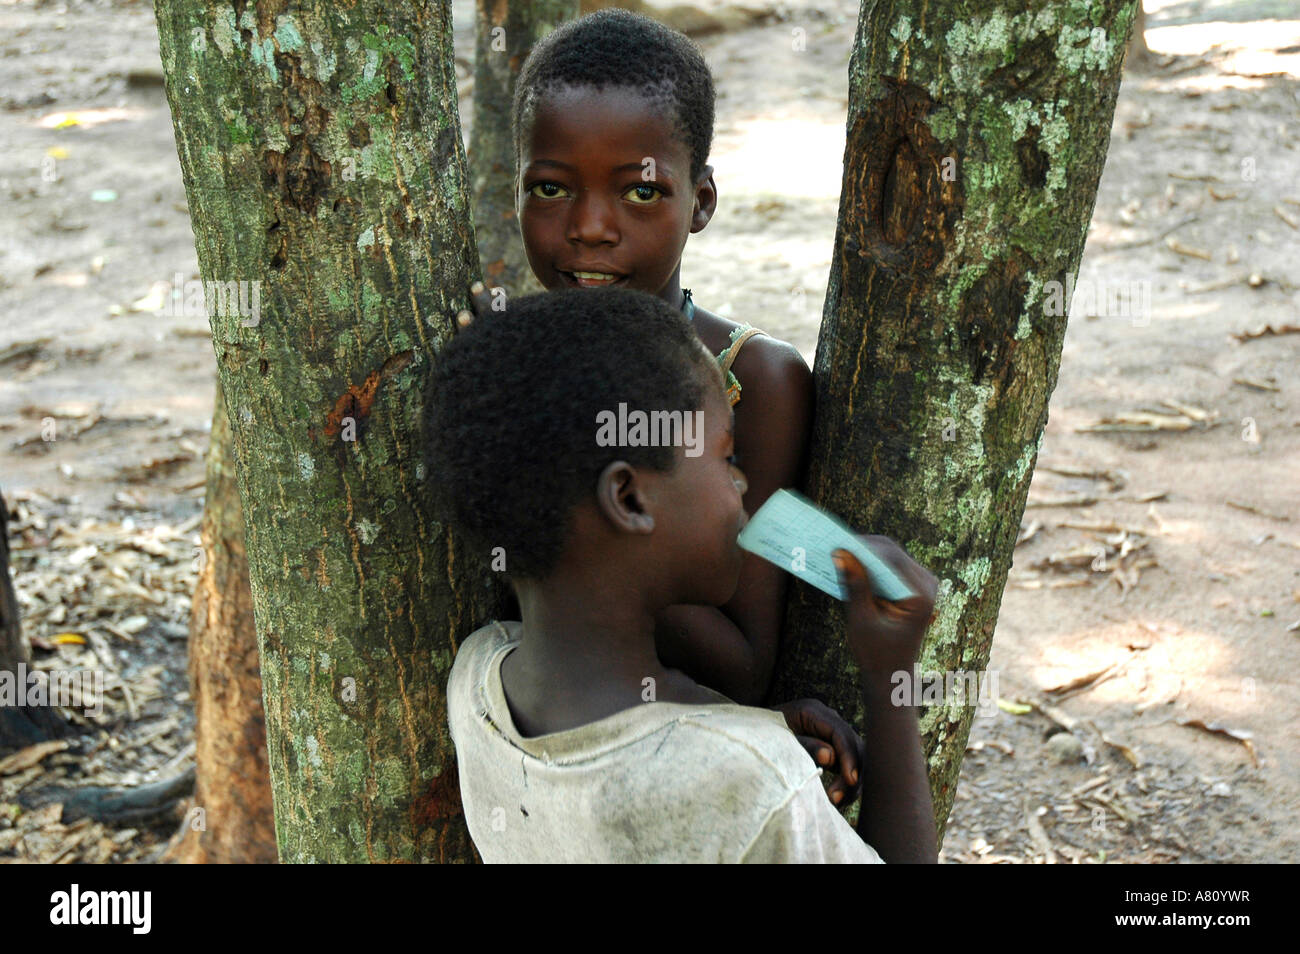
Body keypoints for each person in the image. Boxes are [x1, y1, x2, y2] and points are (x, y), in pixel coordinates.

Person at [432, 288, 939, 863]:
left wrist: (733, 722)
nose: (743, 487)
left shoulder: (476, 677)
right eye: (727, 460)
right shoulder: (755, 783)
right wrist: (889, 680)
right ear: (628, 498)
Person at [460, 8, 813, 708]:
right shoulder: (503, 363)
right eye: (551, 189)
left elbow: (744, 667)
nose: (590, 229)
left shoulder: (755, 384)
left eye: (641, 191)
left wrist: (565, 519)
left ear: (701, 201)